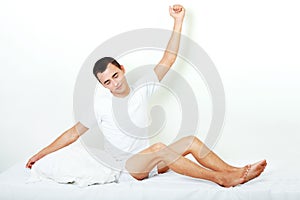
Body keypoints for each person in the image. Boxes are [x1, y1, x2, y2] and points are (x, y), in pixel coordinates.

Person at [26, 4, 267, 188]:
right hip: (128, 168)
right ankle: (222, 179)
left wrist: (178, 21)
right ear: (103, 85)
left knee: (190, 141)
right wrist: (40, 154)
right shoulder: (101, 106)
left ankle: (236, 171)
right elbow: (71, 134)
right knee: (160, 146)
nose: (114, 83)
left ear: (122, 70)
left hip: (151, 162)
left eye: (115, 76)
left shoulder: (143, 87)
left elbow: (169, 58)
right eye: (107, 82)